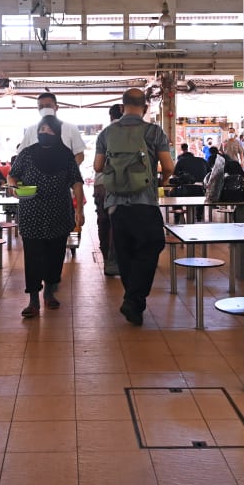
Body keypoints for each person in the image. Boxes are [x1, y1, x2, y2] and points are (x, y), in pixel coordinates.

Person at [94, 88, 173, 326]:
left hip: (116, 205)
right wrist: (164, 179)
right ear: (145, 107)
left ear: (122, 106)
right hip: (145, 202)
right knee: (151, 246)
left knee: (125, 253)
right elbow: (168, 165)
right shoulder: (153, 131)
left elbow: (98, 167)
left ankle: (134, 302)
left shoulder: (106, 133)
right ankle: (133, 299)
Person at [8, 115, 84, 317]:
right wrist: (14, 188)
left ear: (57, 132)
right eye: (42, 130)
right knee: (33, 256)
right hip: (31, 210)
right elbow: (12, 175)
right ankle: (33, 299)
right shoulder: (27, 153)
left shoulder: (66, 155)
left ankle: (50, 292)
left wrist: (80, 211)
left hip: (58, 211)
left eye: (49, 130)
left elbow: (76, 182)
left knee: (55, 254)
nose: (44, 133)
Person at [94, 104, 123, 275]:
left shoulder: (105, 133)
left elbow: (98, 165)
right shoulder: (134, 133)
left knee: (103, 220)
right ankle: (115, 261)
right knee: (118, 223)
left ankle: (106, 257)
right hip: (123, 185)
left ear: (110, 116)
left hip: (102, 184)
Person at [18, 92, 86, 165]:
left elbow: (80, 155)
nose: (44, 109)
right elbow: (21, 154)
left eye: (48, 106)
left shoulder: (71, 128)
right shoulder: (31, 130)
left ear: (56, 107)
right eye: (41, 107)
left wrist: (68, 170)